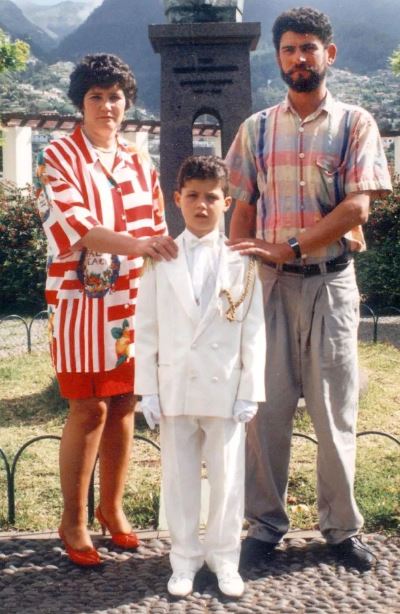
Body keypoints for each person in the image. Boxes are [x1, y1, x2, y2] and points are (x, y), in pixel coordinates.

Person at [225, 7, 392, 571]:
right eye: (290, 49)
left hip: (329, 285)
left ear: (330, 54)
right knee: (263, 411)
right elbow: (242, 207)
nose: (300, 58)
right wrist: (240, 275)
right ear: (278, 58)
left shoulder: (355, 124)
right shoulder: (256, 128)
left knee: (333, 411)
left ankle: (341, 528)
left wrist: (291, 247)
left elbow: (357, 205)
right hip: (268, 288)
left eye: (309, 48)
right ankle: (264, 524)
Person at [35, 53, 177, 566]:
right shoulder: (58, 154)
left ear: (126, 101)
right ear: (82, 102)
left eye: (115, 96)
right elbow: (76, 226)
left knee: (124, 406)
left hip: (132, 301)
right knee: (87, 407)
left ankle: (111, 510)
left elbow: (157, 221)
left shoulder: (139, 160)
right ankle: (72, 519)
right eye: (96, 96)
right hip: (78, 301)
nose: (107, 105)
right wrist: (139, 246)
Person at [134, 156, 266, 597]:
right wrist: (146, 390)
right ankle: (184, 558)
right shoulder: (160, 258)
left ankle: (225, 559)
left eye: (212, 197)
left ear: (226, 202)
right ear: (177, 199)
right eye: (192, 195)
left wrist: (250, 390)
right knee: (179, 477)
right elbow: (147, 329)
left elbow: (254, 331)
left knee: (228, 480)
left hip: (224, 387)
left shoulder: (242, 260)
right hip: (175, 386)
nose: (202, 205)